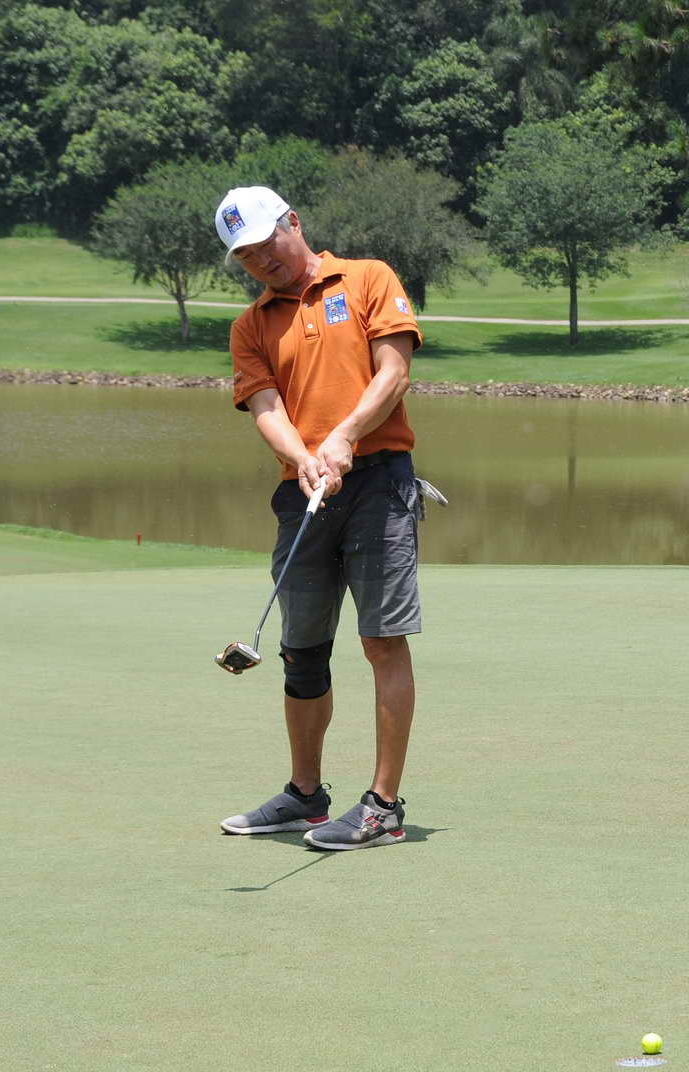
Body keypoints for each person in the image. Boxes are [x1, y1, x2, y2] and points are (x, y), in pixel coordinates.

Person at [212, 185, 425, 852]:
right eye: (245, 256)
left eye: (265, 244)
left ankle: (383, 807)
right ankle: (306, 795)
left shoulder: (367, 279)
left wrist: (344, 437)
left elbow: (393, 372)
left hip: (378, 483)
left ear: (293, 223)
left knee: (382, 640)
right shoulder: (250, 327)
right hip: (303, 491)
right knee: (301, 647)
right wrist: (303, 458)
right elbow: (266, 408)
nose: (260, 261)